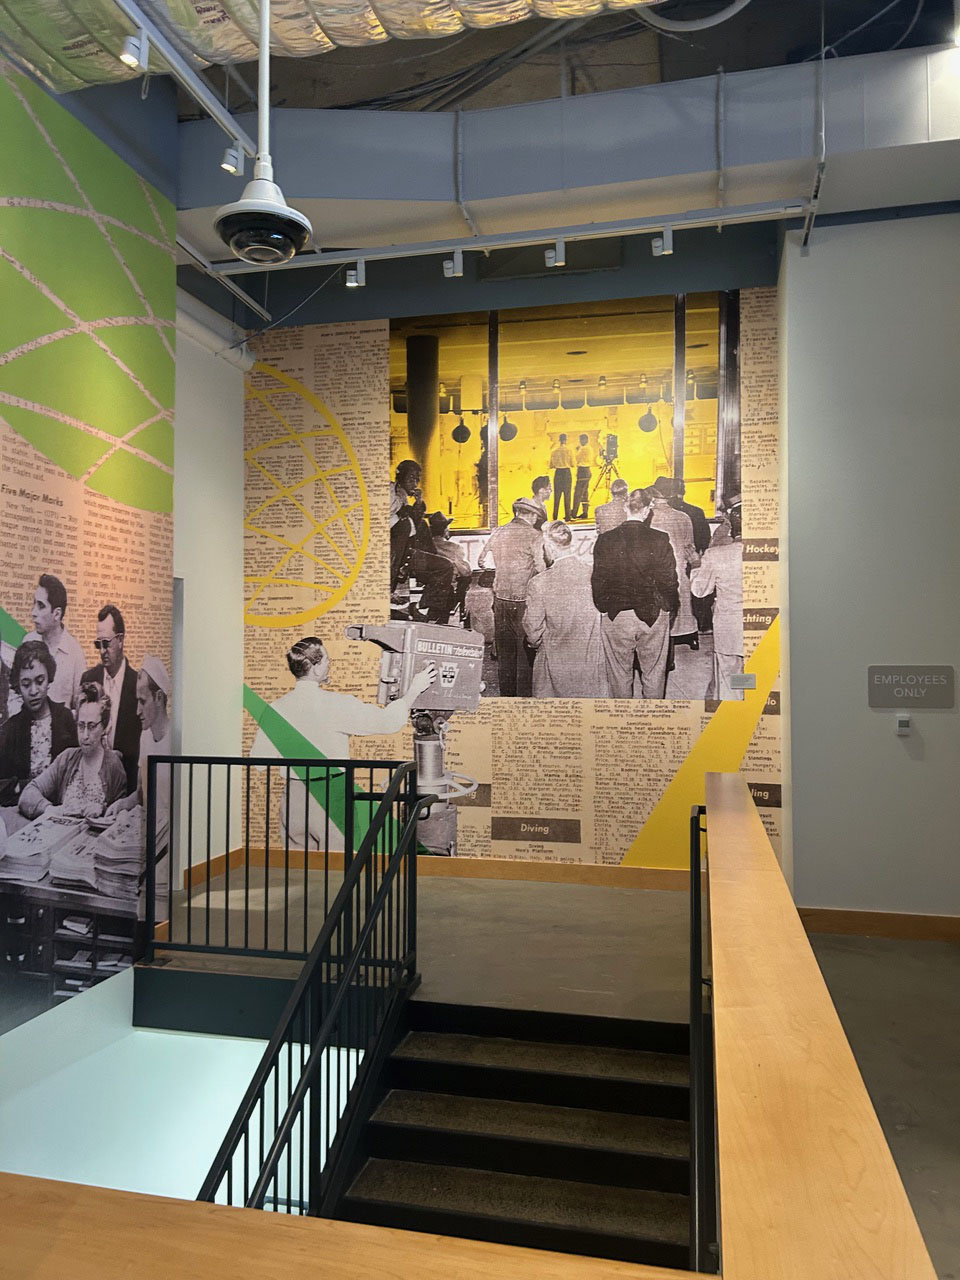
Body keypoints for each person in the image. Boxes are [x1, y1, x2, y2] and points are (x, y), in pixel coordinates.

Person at [250, 637, 436, 850]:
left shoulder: (274, 708)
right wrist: (414, 690)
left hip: (293, 798)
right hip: (332, 795)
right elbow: (388, 722)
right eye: (327, 660)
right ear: (316, 668)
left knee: (297, 864)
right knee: (337, 864)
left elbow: (259, 761)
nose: (330, 664)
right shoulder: (337, 704)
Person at [591, 488, 679, 699]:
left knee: (619, 675)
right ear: (648, 510)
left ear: (625, 507)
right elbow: (669, 580)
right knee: (654, 674)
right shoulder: (660, 539)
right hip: (652, 614)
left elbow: (598, 581)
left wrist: (606, 606)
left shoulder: (605, 539)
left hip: (617, 615)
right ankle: (653, 716)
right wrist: (667, 607)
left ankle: (624, 716)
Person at [19, 683, 127, 820]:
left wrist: (103, 810)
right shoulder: (66, 759)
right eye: (81, 725)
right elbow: (28, 794)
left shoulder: (114, 765)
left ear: (104, 726)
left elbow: (122, 815)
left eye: (92, 726)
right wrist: (51, 809)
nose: (85, 735)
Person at [524, 522, 607, 698]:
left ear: (549, 547)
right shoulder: (595, 574)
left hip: (555, 664)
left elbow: (533, 630)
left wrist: (534, 644)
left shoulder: (538, 583)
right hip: (592, 660)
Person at [478, 497, 544, 697]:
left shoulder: (499, 531)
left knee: (505, 653)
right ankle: (523, 699)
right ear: (531, 515)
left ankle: (507, 696)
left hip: (500, 599)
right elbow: (541, 569)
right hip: (523, 601)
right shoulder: (534, 536)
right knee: (524, 654)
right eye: (536, 516)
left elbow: (481, 561)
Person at [0, 640, 77, 810]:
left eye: (40, 681)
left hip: (63, 811)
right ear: (18, 685)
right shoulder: (9, 730)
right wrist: (21, 786)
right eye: (26, 684)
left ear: (49, 677)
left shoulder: (65, 719)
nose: (33, 691)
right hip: (22, 812)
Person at [81, 604, 139, 794]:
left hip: (127, 786)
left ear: (120, 640)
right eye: (98, 644)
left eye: (106, 643)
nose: (102, 651)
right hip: (92, 785)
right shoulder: (88, 679)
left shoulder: (137, 685)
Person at [692, 499, 745, 700]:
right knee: (753, 676)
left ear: (731, 528)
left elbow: (699, 590)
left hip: (728, 628)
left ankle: (736, 706)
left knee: (730, 677)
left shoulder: (716, 554)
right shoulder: (772, 552)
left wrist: (696, 564)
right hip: (761, 627)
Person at [659, 476, 713, 634]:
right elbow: (704, 539)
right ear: (683, 491)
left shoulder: (659, 513)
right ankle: (701, 626)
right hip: (690, 558)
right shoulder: (696, 511)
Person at [648, 481, 699, 645]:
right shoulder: (683, 517)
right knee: (683, 604)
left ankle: (663, 640)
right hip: (679, 566)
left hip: (657, 567)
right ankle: (689, 636)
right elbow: (689, 546)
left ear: (653, 496)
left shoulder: (649, 516)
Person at [23, 574, 84, 711]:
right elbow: (15, 694)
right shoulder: (27, 641)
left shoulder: (75, 654)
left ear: (56, 614)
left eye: (41, 606)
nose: (33, 612)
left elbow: (79, 707)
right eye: (34, 603)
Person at [390, 460, 426, 593]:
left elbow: (415, 523)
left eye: (416, 480)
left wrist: (419, 502)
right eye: (411, 479)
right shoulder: (391, 490)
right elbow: (391, 509)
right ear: (400, 478)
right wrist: (402, 495)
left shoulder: (402, 495)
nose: (414, 484)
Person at [429, 512, 472, 617]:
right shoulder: (455, 548)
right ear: (445, 530)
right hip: (448, 594)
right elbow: (466, 572)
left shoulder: (426, 547)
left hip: (429, 592)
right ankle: (461, 610)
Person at [549, 434, 574, 520]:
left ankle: (555, 516)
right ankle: (568, 516)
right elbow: (572, 464)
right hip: (566, 473)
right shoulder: (569, 451)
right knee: (567, 496)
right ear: (566, 440)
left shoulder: (554, 451)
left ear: (559, 440)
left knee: (557, 496)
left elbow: (551, 465)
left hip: (558, 473)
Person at [570, 433, 594, 520]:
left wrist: (577, 451)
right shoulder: (590, 448)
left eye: (581, 440)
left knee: (578, 492)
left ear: (585, 440)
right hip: (587, 470)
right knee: (585, 493)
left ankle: (574, 513)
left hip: (582, 470)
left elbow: (577, 459)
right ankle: (585, 512)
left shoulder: (583, 449)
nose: (580, 442)